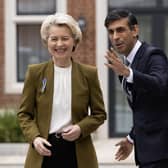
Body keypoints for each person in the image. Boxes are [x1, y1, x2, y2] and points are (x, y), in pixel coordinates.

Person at [17, 13, 106, 168]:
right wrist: (35, 138)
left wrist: (80, 128)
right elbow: (24, 114)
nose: (59, 44)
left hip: (78, 153)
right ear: (47, 42)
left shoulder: (89, 74)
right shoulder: (35, 73)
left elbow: (99, 114)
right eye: (54, 39)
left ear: (74, 41)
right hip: (43, 151)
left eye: (65, 38)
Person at [104, 9, 168, 168]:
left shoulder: (153, 55)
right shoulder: (126, 63)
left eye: (120, 30)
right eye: (111, 32)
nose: (115, 37)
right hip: (146, 152)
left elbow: (160, 84)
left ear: (135, 30)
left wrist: (128, 73)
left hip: (162, 152)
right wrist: (131, 138)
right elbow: (145, 108)